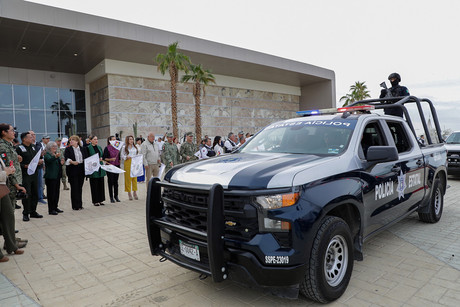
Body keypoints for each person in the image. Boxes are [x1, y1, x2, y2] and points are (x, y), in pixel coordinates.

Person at [0, 124, 28, 245]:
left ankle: (11, 238)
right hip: (8, 184)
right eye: (11, 131)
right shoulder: (2, 147)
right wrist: (16, 185)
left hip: (12, 182)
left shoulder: (9, 145)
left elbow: (11, 162)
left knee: (10, 214)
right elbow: (6, 169)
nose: (14, 133)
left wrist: (17, 158)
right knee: (8, 215)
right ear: (3, 132)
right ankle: (9, 242)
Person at [0, 159, 24, 262]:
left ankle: (12, 245)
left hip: (2, 186)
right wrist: (6, 172)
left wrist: (7, 171)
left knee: (8, 215)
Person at [16, 132, 43, 221]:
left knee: (35, 193)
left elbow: (34, 159)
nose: (32, 138)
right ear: (24, 139)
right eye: (30, 137)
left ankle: (33, 211)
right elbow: (16, 163)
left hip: (34, 173)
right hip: (25, 175)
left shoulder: (33, 147)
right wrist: (24, 166)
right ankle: (26, 213)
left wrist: (39, 161)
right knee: (27, 194)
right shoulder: (19, 148)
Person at [84, 135, 106, 206]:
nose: (96, 140)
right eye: (94, 139)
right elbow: (87, 158)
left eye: (97, 139)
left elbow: (102, 155)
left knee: (101, 184)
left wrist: (101, 158)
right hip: (93, 168)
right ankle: (95, 201)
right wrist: (95, 160)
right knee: (94, 185)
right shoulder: (88, 148)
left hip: (100, 167)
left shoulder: (99, 147)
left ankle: (101, 200)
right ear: (91, 140)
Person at [64, 135, 85, 210]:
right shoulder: (68, 149)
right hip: (73, 169)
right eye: (70, 140)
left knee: (80, 187)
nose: (71, 141)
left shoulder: (82, 149)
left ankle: (80, 204)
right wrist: (72, 161)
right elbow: (66, 158)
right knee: (74, 187)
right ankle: (75, 205)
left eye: (73, 140)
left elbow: (85, 158)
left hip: (81, 169)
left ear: (77, 141)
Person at [43, 142, 64, 215]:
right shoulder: (47, 154)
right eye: (53, 146)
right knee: (51, 193)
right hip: (50, 177)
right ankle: (51, 209)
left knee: (56, 192)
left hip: (57, 176)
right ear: (49, 147)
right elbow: (49, 160)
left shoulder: (56, 154)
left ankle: (55, 207)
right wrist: (55, 157)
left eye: (55, 146)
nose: (55, 148)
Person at [103, 136, 121, 203]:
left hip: (116, 166)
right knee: (110, 182)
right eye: (113, 140)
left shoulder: (117, 148)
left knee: (116, 182)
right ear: (109, 140)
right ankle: (111, 197)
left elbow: (118, 157)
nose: (114, 141)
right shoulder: (107, 148)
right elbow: (104, 158)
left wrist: (119, 160)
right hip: (110, 167)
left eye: (115, 139)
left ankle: (116, 196)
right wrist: (110, 159)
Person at [121, 135, 139, 200]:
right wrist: (126, 157)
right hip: (128, 162)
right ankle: (129, 192)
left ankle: (135, 192)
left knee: (134, 178)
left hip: (134, 163)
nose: (131, 140)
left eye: (132, 139)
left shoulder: (135, 147)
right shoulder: (124, 147)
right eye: (130, 139)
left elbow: (137, 155)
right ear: (127, 140)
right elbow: (122, 155)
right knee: (128, 178)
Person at [30, 132, 47, 204]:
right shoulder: (28, 145)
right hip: (31, 167)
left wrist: (42, 156)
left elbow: (41, 155)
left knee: (40, 183)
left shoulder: (39, 144)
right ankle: (32, 198)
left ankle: (40, 198)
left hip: (39, 166)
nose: (33, 136)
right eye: (31, 135)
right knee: (32, 184)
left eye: (34, 134)